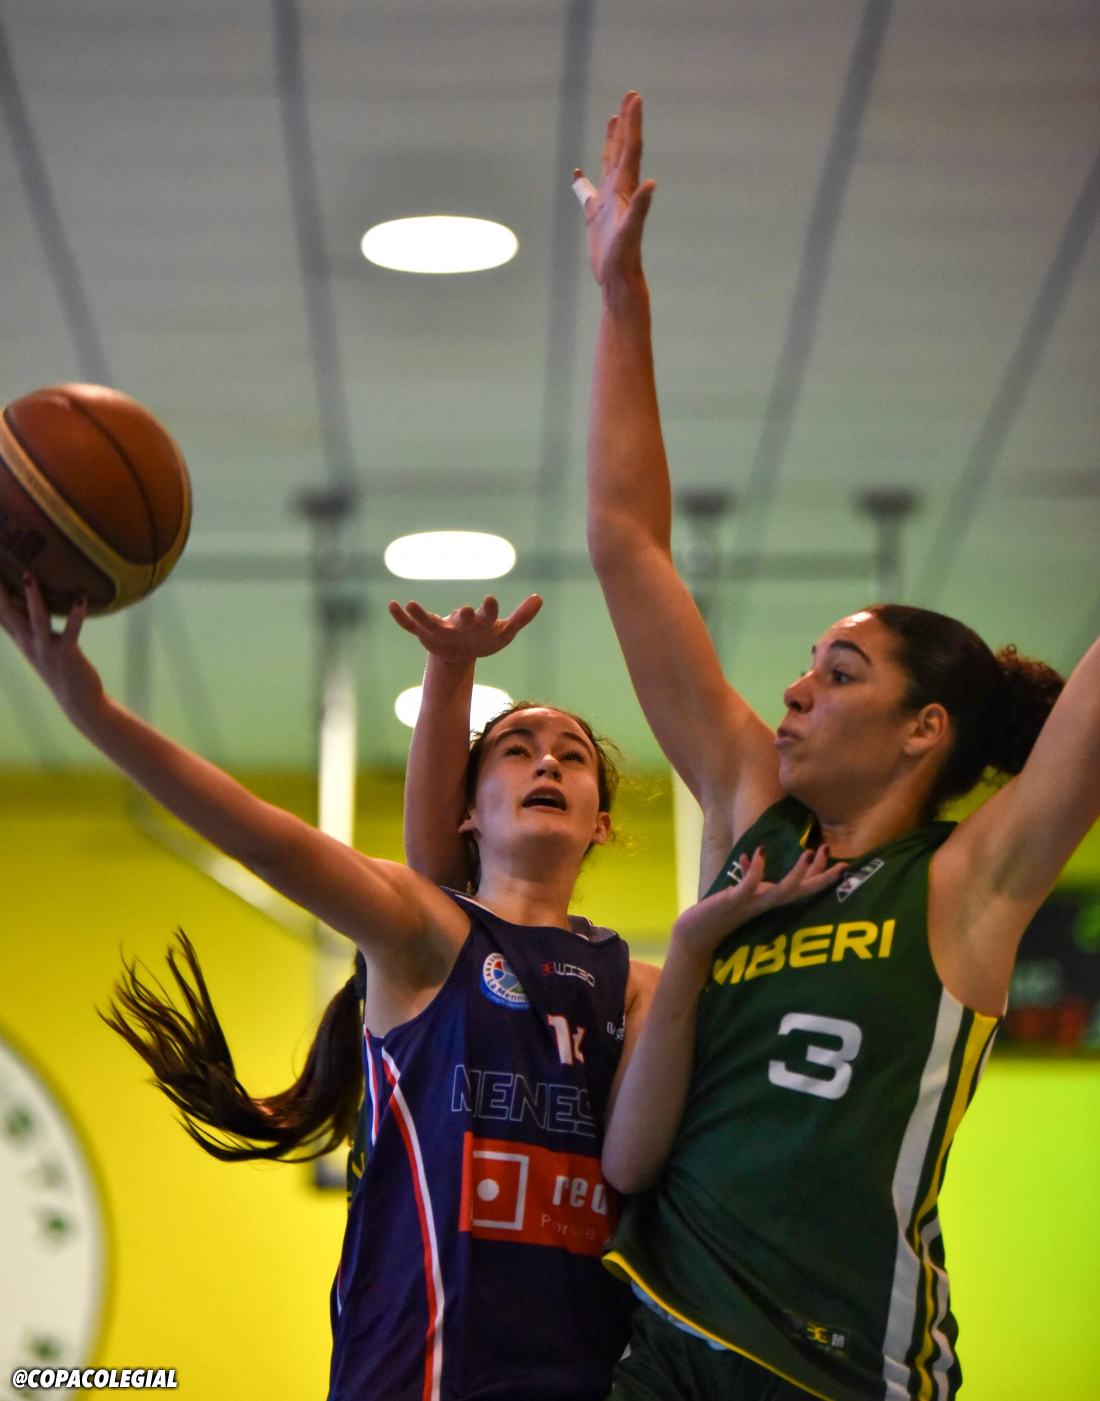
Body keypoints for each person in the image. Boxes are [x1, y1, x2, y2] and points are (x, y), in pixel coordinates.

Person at [0, 576, 838, 1400]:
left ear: (602, 822)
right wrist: (92, 711)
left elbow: (629, 1160)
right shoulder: (424, 937)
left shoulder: (639, 985)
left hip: (584, 1375)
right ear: (469, 811)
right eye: (518, 750)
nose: (548, 759)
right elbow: (266, 840)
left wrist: (693, 947)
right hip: (416, 1374)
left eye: (573, 755)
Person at [576, 92, 1093, 1401]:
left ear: (925, 730)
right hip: (658, 1345)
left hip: (839, 1371)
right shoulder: (751, 807)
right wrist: (620, 297)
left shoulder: (969, 880)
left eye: (839, 672)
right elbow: (627, 544)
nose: (795, 691)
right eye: (806, 665)